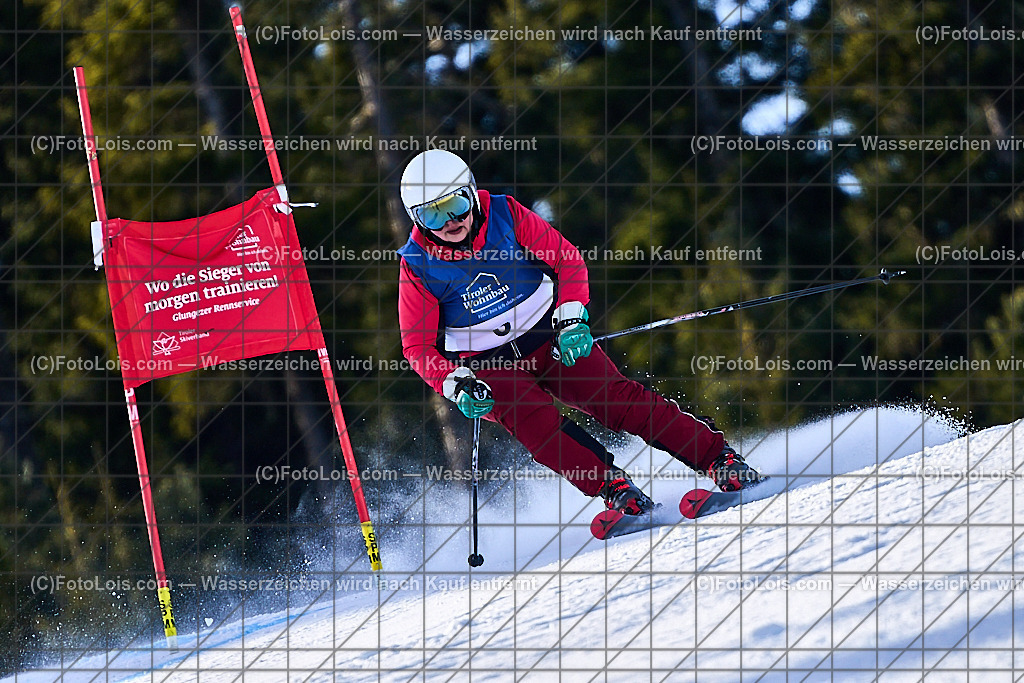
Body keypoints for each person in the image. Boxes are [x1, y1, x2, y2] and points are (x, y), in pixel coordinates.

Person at [396, 149, 761, 515]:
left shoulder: (504, 214)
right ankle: (614, 488)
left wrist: (571, 318)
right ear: (417, 219)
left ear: (472, 193)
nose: (449, 222)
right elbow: (417, 346)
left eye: (455, 205)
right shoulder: (417, 264)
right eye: (432, 214)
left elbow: (565, 260)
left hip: (549, 337)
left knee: (616, 400)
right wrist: (454, 383)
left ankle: (720, 460)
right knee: (536, 425)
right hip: (490, 365)